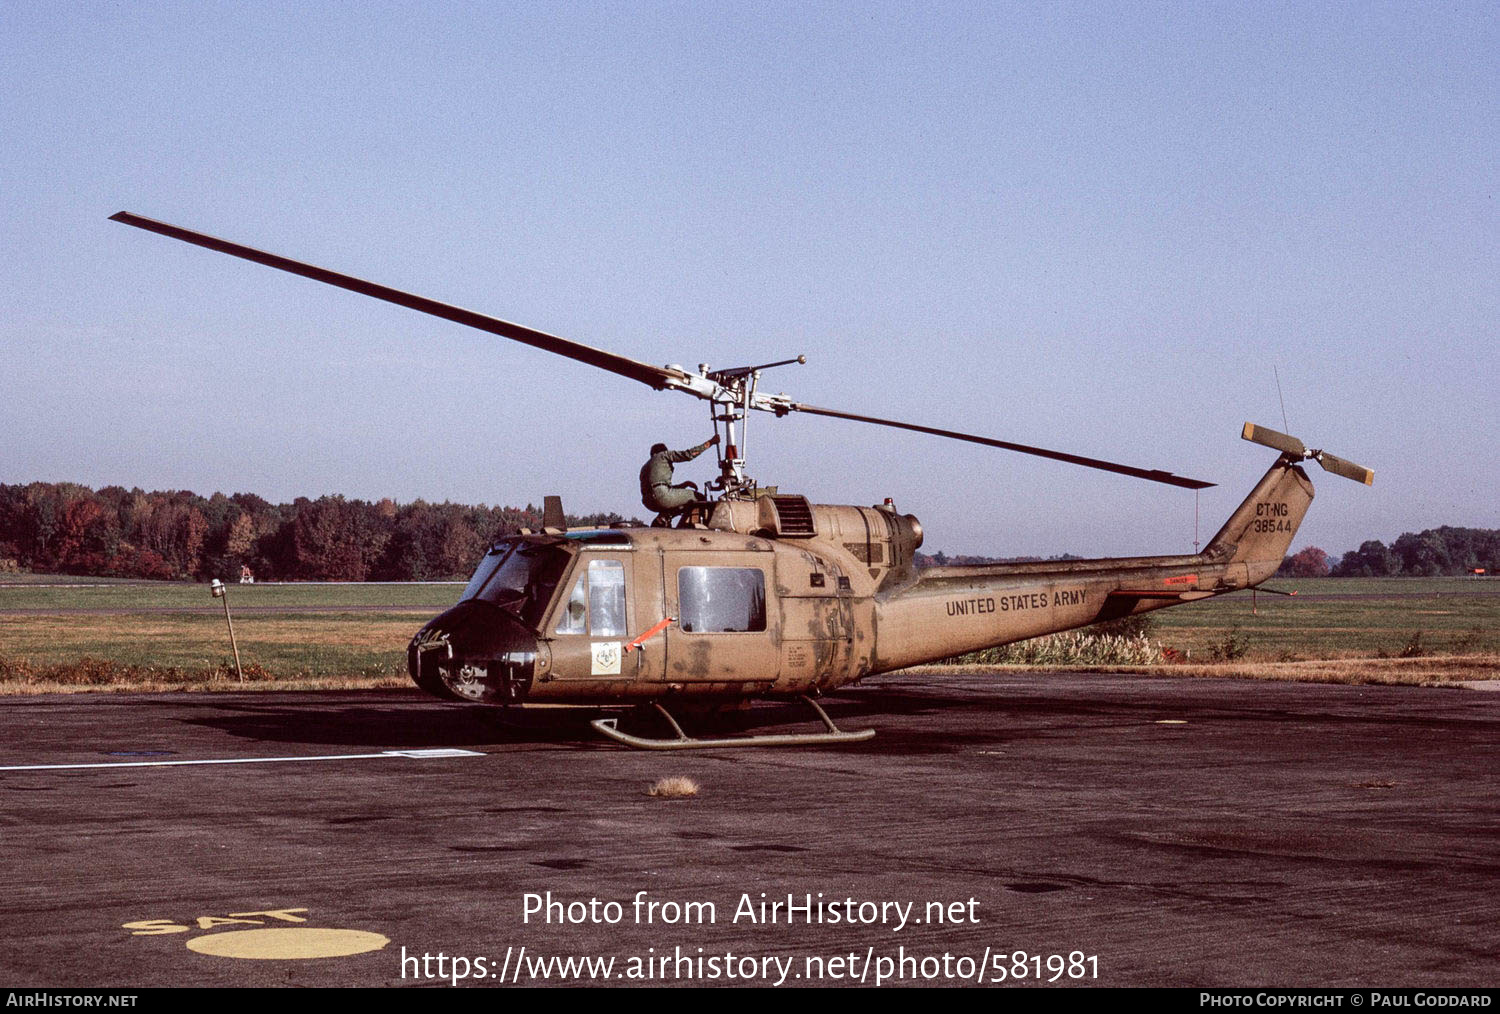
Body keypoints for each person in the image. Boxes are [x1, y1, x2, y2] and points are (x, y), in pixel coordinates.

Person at [640, 434, 720, 526]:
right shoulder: (663, 455)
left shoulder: (645, 467)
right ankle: (696, 526)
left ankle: (663, 518)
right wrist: (710, 442)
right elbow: (688, 455)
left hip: (648, 501)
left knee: (677, 500)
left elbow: (657, 487)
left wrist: (682, 485)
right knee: (699, 498)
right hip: (662, 496)